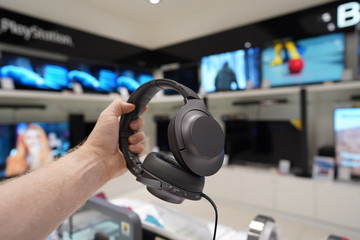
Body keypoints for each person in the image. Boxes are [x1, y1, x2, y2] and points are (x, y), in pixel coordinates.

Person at [0, 99, 146, 240]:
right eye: (28, 138)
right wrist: (97, 157)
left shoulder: (50, 154)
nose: (32, 141)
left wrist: (99, 157)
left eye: (36, 137)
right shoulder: (14, 159)